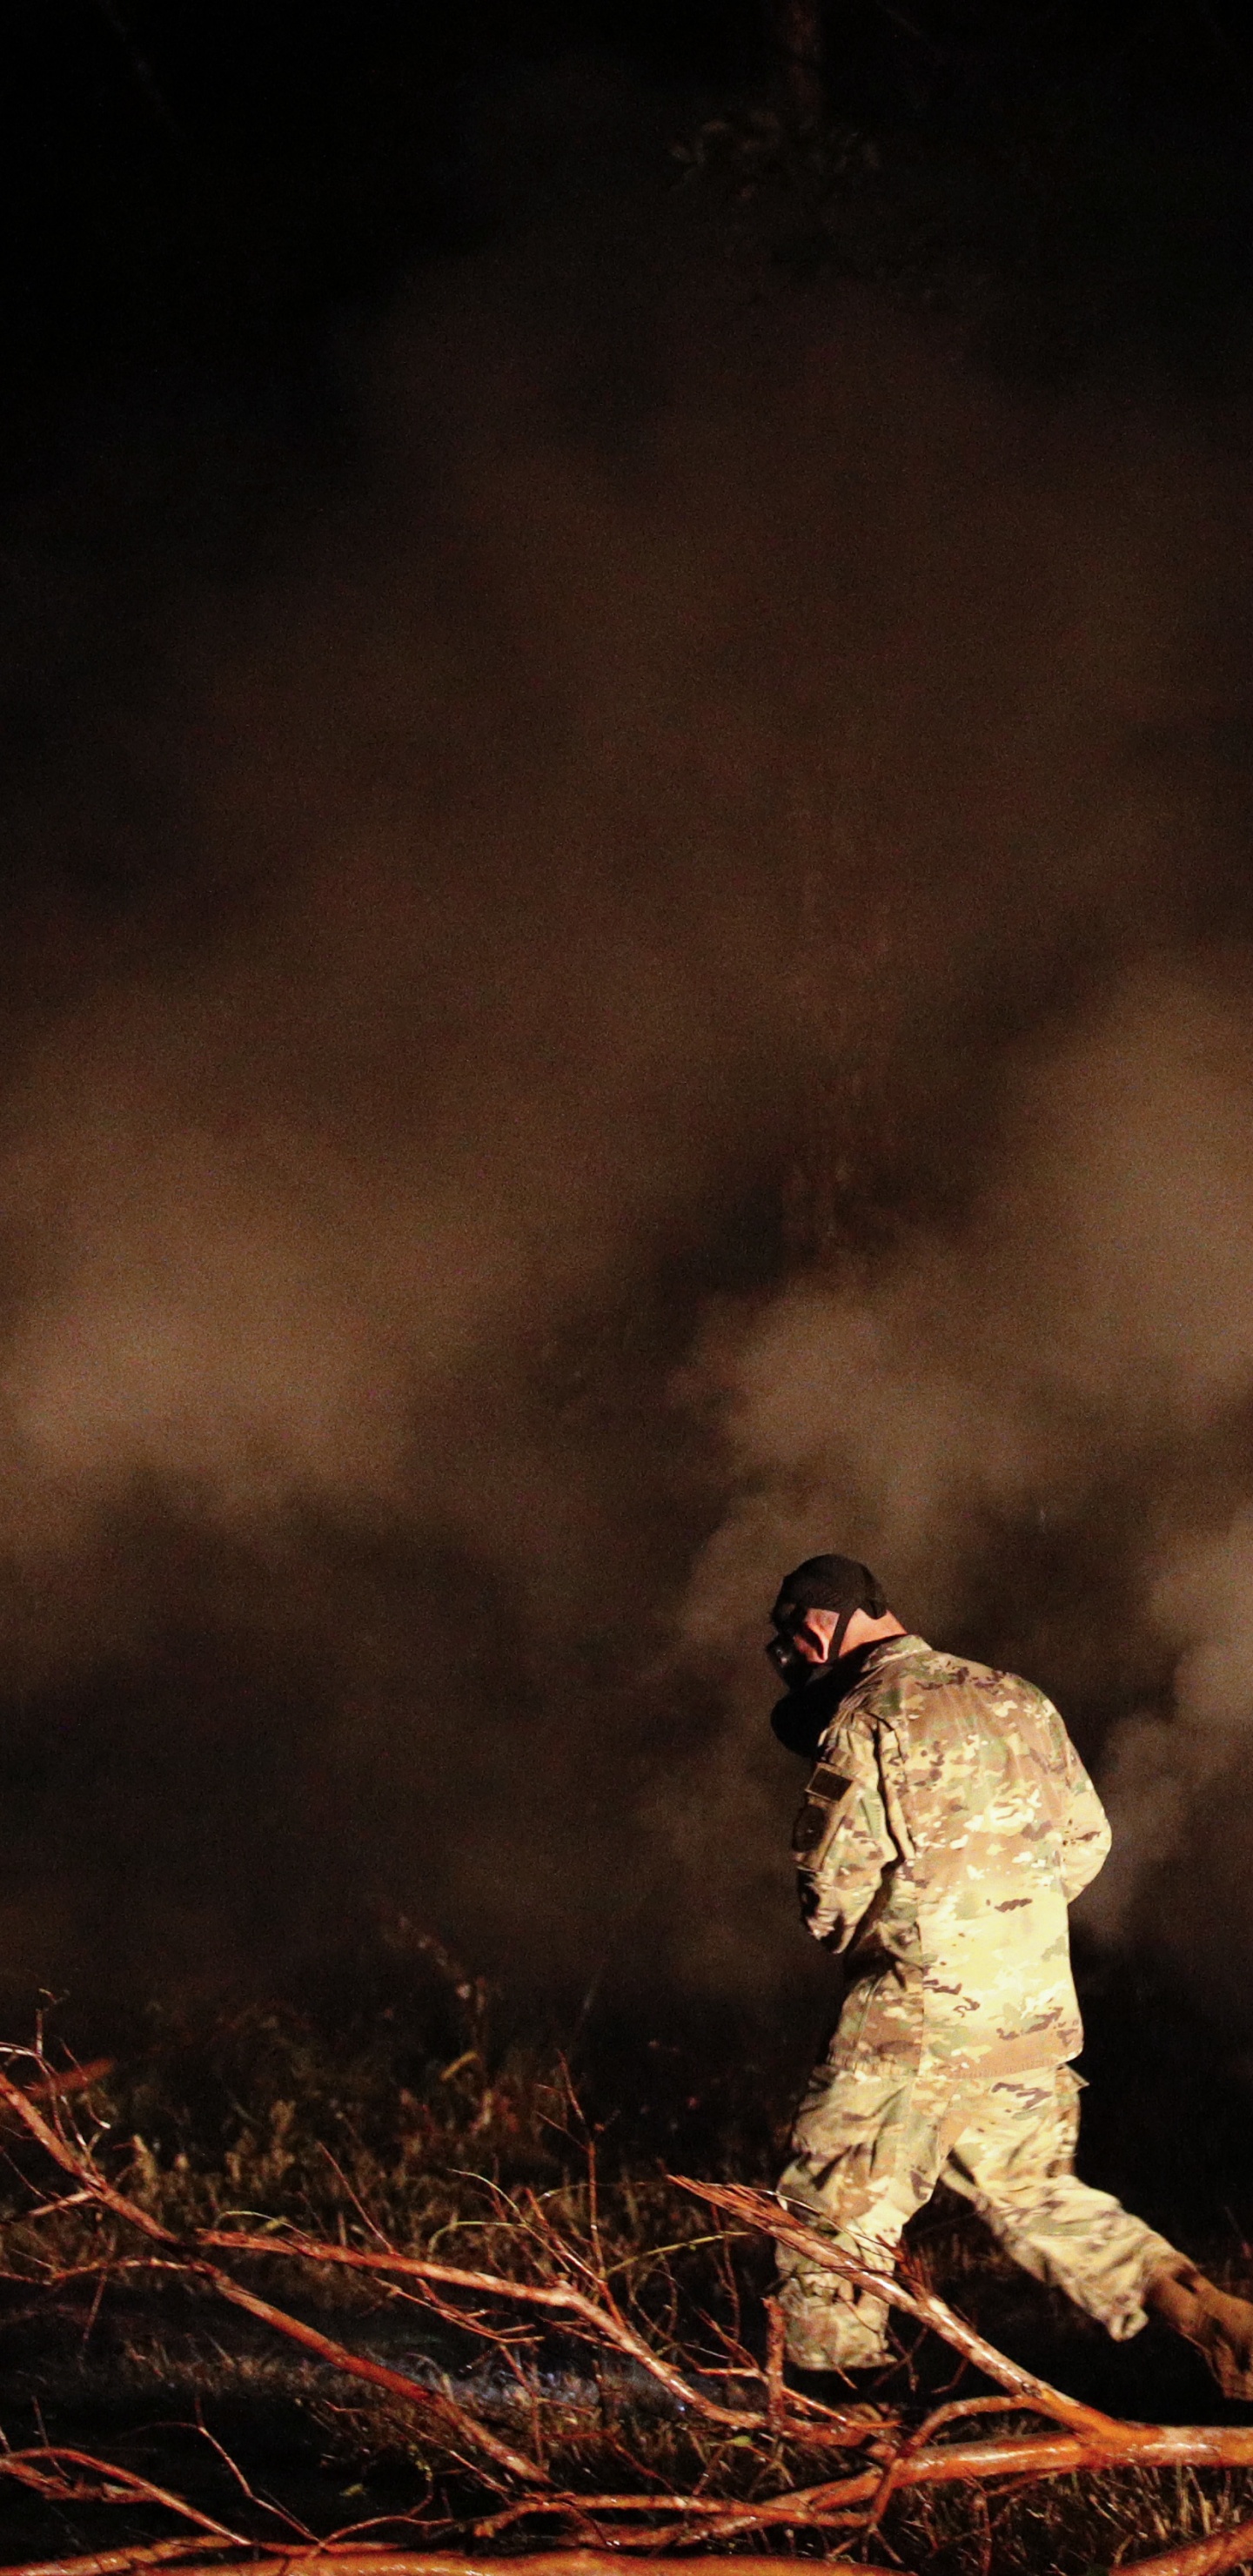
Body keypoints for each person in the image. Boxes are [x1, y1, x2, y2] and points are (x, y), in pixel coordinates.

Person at [767, 1551, 1253, 2398]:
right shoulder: (1015, 1695)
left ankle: (832, 2415)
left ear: (814, 1633)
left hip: (913, 2017)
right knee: (1038, 2193)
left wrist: (905, 1928)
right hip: (1027, 2011)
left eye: (790, 1649)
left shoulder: (867, 1714)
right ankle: (1214, 2319)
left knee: (832, 2203)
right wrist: (1003, 1923)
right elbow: (1086, 1841)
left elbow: (830, 1892)